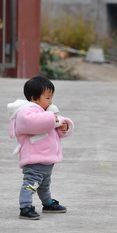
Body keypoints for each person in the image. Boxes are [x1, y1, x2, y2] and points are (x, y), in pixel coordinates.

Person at [7, 75, 74, 220]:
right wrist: (52, 118)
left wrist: (63, 125)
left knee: (44, 184)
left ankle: (47, 203)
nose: (51, 101)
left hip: (46, 158)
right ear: (34, 98)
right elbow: (32, 123)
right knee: (31, 184)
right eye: (48, 98)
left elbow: (54, 127)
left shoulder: (44, 112)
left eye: (51, 98)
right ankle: (25, 206)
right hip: (35, 158)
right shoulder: (25, 112)